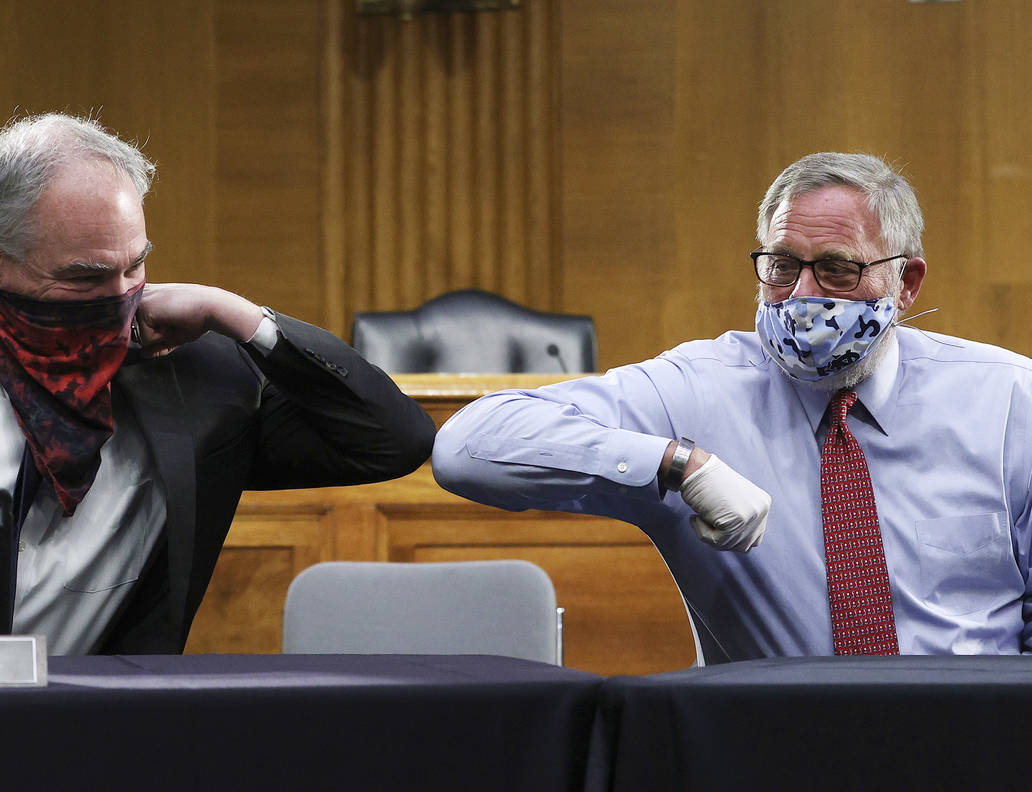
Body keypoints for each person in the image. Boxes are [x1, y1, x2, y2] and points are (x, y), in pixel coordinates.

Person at [0, 113, 435, 655]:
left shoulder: (202, 379)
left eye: (136, 265)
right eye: (85, 278)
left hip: (96, 736)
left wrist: (239, 316)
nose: (120, 296)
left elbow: (391, 440)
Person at [433, 152, 1032, 662]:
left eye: (836, 270)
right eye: (782, 267)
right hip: (772, 748)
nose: (803, 295)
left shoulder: (1007, 397)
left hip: (974, 739)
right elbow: (467, 445)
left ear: (906, 283)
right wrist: (678, 465)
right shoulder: (700, 388)